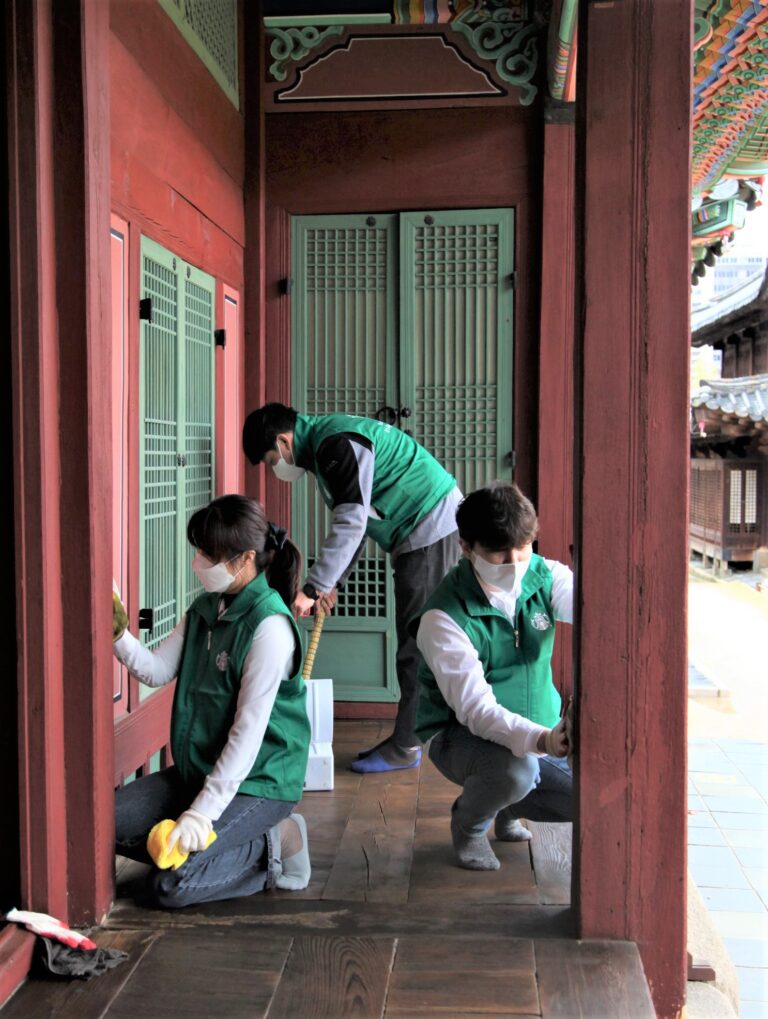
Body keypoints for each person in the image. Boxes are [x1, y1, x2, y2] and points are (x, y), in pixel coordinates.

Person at [112, 495, 312, 908]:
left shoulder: (270, 628)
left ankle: (280, 839)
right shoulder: (204, 609)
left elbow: (247, 736)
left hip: (259, 781)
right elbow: (156, 671)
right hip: (198, 770)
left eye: (210, 553)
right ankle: (207, 849)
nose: (199, 562)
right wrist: (118, 633)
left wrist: (201, 814)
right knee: (103, 823)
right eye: (200, 550)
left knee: (170, 886)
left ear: (246, 559)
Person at [242, 403, 462, 774]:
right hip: (419, 529)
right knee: (414, 643)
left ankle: (407, 745)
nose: (275, 468)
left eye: (270, 460)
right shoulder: (326, 445)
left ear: (283, 441)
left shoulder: (335, 445)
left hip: (430, 526)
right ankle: (406, 739)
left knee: (416, 646)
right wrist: (334, 582)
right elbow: (361, 520)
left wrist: (313, 588)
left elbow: (352, 523)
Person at [411, 481, 573, 871]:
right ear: (466, 548)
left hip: (542, 727)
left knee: (591, 797)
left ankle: (507, 806)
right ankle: (469, 825)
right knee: (516, 771)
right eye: (498, 553)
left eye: (523, 548)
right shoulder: (444, 617)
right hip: (459, 736)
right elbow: (476, 711)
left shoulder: (547, 576)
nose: (514, 563)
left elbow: (596, 614)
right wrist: (543, 740)